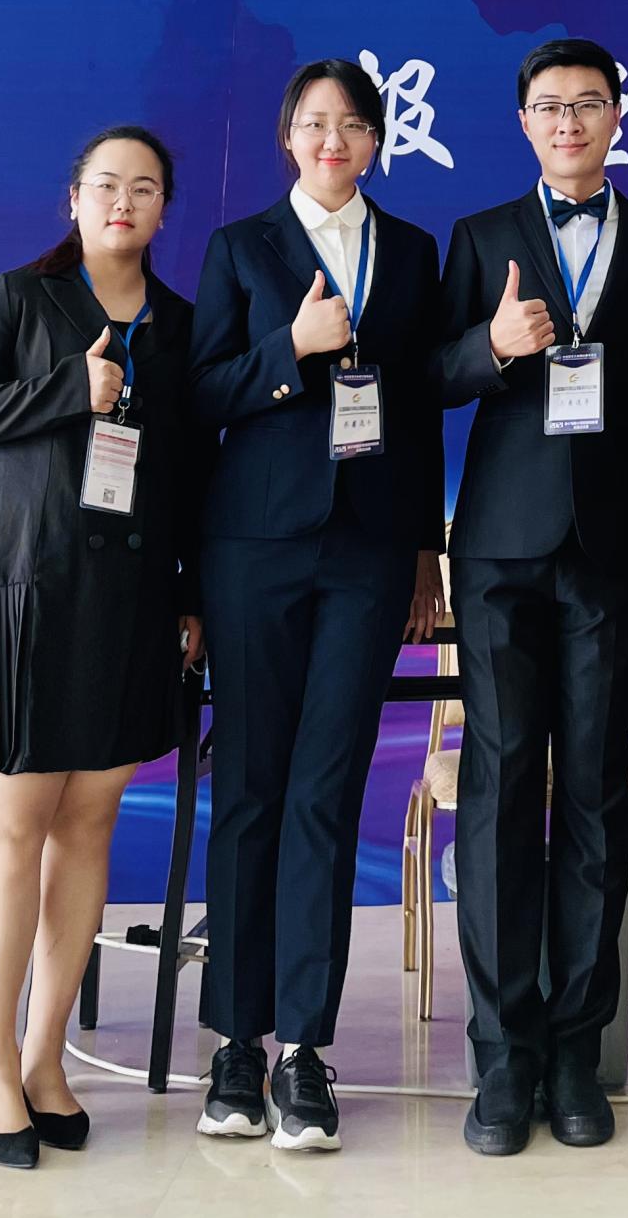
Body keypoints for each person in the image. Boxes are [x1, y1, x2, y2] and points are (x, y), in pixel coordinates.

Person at [0, 125, 208, 1169]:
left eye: (145, 189)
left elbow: (189, 475)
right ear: (73, 198)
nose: (124, 202)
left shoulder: (180, 325)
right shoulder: (21, 298)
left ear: (163, 209)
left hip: (128, 606)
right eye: (106, 185)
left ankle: (44, 1060)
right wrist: (70, 392)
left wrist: (192, 596)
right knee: (15, 832)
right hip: (23, 595)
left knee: (88, 827)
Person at [435, 37, 628, 1155]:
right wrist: (491, 347)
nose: (568, 122)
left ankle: (577, 1051)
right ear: (524, 122)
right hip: (499, 547)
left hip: (612, 545)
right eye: (549, 106)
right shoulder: (480, 234)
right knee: (499, 787)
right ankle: (503, 1054)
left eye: (588, 104)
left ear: (617, 118)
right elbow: (428, 374)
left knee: (593, 785)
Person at [188, 59, 445, 1153]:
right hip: (253, 546)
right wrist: (287, 354)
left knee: (325, 794)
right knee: (249, 788)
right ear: (288, 138)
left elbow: (421, 406)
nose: (332, 139)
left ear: (378, 140)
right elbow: (201, 392)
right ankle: (235, 1043)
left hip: (370, 550)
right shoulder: (241, 247)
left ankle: (303, 1048)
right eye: (313, 123)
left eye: (351, 123)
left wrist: (426, 548)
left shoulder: (414, 251)